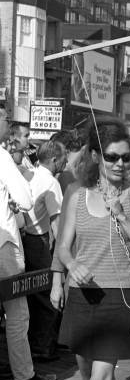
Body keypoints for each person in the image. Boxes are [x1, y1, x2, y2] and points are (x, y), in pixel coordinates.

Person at [58, 117, 130, 380]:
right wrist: (70, 266)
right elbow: (63, 246)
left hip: (121, 295)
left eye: (126, 157)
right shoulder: (77, 195)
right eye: (113, 157)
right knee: (90, 373)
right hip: (84, 296)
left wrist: (123, 217)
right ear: (95, 155)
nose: (121, 165)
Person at [0, 106, 56, 380]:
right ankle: (23, 374)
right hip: (5, 245)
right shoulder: (2, 157)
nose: (6, 125)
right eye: (3, 119)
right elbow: (24, 198)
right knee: (17, 313)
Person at [22, 140, 67, 361]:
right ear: (54, 159)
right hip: (38, 241)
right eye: (64, 157)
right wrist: (64, 254)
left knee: (32, 296)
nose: (66, 161)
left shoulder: (30, 174)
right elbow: (57, 223)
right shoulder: (51, 183)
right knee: (47, 295)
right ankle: (42, 347)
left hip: (26, 240)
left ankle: (37, 344)